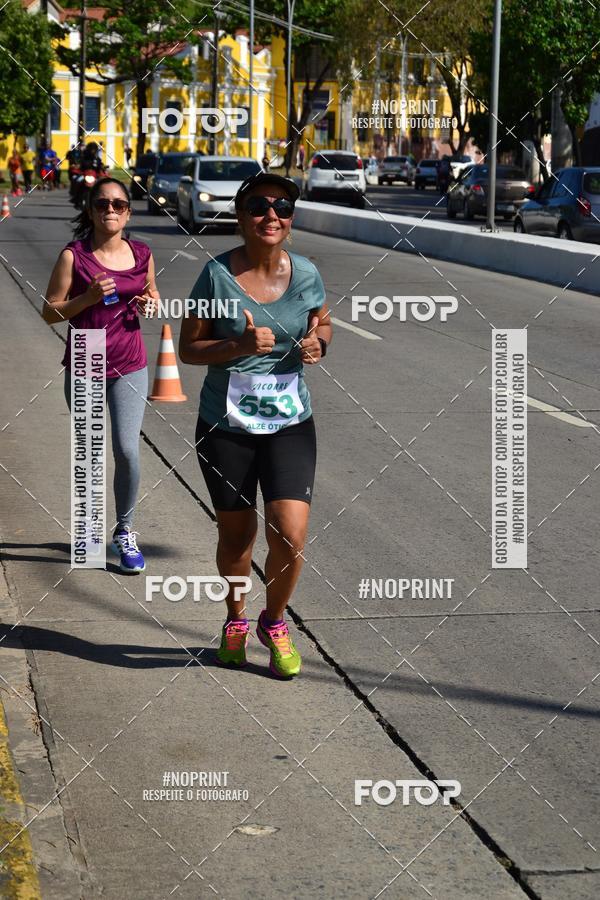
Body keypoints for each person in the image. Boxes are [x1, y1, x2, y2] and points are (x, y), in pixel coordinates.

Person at [179, 172, 332, 678]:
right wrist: (237, 347)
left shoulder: (307, 273)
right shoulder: (215, 276)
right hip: (226, 427)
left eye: (283, 207)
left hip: (290, 422)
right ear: (242, 217)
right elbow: (188, 347)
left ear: (291, 220)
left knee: (289, 536)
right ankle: (236, 620)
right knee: (237, 538)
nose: (272, 215)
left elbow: (321, 322)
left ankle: (274, 620)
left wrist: (320, 343)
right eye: (261, 206)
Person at [43, 177, 159, 573]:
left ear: (127, 212)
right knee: (90, 454)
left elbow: (151, 295)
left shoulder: (142, 253)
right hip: (86, 358)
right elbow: (49, 311)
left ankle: (124, 532)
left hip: (130, 362)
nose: (111, 210)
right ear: (91, 210)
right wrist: (87, 298)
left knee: (127, 450)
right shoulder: (74, 256)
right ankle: (89, 534)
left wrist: (150, 303)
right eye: (103, 204)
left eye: (119, 205)